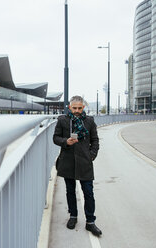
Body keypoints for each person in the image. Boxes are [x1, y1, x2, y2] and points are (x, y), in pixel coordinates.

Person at [53, 95, 102, 236]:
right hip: (67, 161)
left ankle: (90, 222)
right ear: (69, 107)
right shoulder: (62, 120)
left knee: (88, 192)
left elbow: (95, 140)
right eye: (74, 108)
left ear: (83, 107)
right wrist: (65, 142)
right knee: (70, 191)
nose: (77, 111)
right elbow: (55, 138)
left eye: (80, 108)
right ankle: (73, 216)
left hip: (85, 162)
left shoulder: (89, 121)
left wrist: (92, 155)